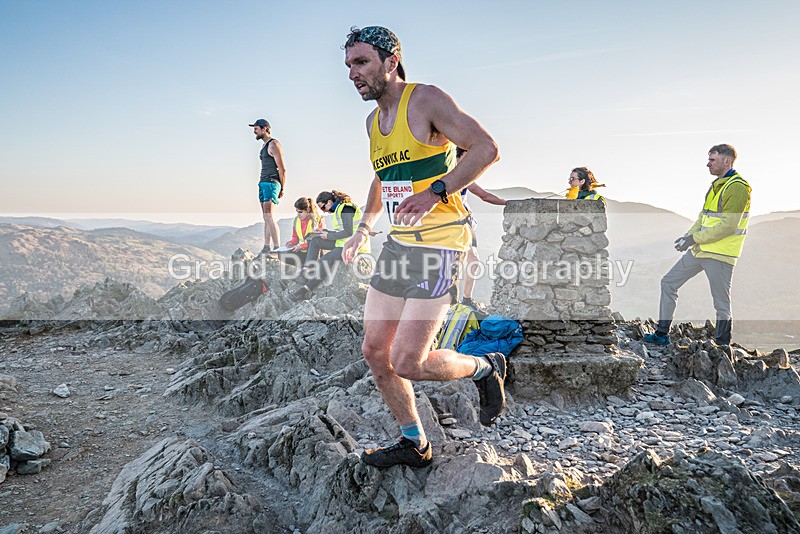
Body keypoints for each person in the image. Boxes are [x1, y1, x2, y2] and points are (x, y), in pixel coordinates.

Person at [339, 26, 503, 469]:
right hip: (398, 246)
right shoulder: (373, 122)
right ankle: (415, 442)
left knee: (408, 361)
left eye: (362, 63)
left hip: (441, 247)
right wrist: (364, 226)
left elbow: (485, 148)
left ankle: (485, 368)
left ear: (391, 62)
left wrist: (438, 190)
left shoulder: (426, 99)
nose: (353, 73)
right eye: (349, 65)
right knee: (375, 352)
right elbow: (382, 178)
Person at [643, 144, 751, 347]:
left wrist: (695, 239)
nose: (707, 164)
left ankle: (722, 345)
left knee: (721, 303)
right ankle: (661, 334)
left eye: (712, 160)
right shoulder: (715, 186)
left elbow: (729, 226)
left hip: (720, 254)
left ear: (726, 161)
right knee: (668, 282)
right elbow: (703, 218)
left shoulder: (737, 187)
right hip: (700, 251)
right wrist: (688, 237)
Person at [291, 190, 369, 300]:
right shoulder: (338, 210)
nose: (324, 211)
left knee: (325, 260)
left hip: (353, 245)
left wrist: (328, 236)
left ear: (329, 202)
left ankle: (306, 289)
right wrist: (322, 231)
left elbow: (348, 232)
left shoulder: (347, 208)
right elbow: (340, 231)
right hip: (342, 242)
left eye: (323, 207)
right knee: (315, 241)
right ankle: (306, 271)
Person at [456, 147, 507, 309]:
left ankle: (465, 299)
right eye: (467, 156)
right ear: (460, 156)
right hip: (451, 225)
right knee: (456, 264)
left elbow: (483, 195)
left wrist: (508, 203)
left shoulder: (465, 176)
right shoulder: (450, 174)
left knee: (473, 260)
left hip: (465, 223)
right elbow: (483, 195)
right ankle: (454, 300)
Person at [250, 118, 286, 257]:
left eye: (256, 129)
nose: (255, 132)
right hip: (263, 182)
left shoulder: (274, 144)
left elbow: (282, 169)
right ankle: (266, 246)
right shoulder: (264, 146)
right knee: (266, 216)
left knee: (269, 216)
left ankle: (277, 249)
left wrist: (282, 188)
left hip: (272, 182)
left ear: (265, 129)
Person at [283, 197, 325, 268]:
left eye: (300, 212)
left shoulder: (318, 220)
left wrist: (301, 246)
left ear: (308, 210)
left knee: (308, 265)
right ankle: (302, 267)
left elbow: (317, 241)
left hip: (313, 253)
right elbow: (295, 237)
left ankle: (307, 267)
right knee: (282, 256)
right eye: (297, 212)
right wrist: (291, 243)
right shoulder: (296, 221)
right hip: (301, 252)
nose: (298, 215)